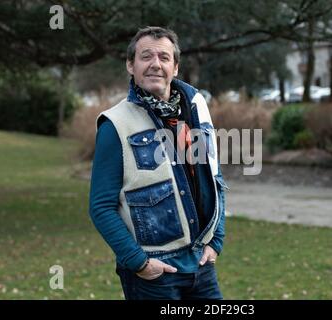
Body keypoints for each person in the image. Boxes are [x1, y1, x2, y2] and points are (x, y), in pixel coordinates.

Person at [89, 26, 229, 300]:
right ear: (131, 65)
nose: (155, 64)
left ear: (175, 68)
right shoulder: (114, 125)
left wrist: (216, 240)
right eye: (146, 56)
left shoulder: (195, 112)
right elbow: (101, 206)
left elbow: (215, 179)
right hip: (155, 274)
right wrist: (139, 262)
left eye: (164, 57)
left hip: (201, 263)